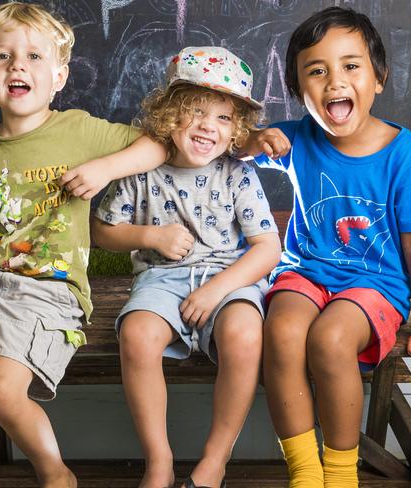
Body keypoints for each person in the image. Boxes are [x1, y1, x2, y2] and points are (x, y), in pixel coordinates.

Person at [0, 2, 169, 486]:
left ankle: (55, 474)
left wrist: (104, 169)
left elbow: (159, 145)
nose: (18, 66)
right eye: (4, 57)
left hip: (49, 292)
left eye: (33, 57)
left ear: (60, 76)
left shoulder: (78, 129)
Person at [245, 7, 411, 487]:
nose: (334, 81)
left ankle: (340, 475)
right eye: (316, 71)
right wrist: (253, 138)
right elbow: (233, 148)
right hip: (304, 273)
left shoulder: (406, 157)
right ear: (299, 91)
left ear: (378, 78)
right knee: (280, 333)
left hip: (374, 285)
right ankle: (304, 473)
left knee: (330, 339)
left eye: (350, 66)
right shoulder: (295, 139)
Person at [93, 46, 282, 488]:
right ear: (168, 117)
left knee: (244, 333)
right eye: (194, 111)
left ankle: (215, 460)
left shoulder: (236, 173)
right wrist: (149, 237)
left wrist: (216, 290)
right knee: (137, 335)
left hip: (228, 278)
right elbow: (102, 231)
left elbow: (266, 249)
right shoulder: (139, 171)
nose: (207, 126)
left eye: (222, 118)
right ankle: (157, 461)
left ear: (236, 130)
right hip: (160, 279)